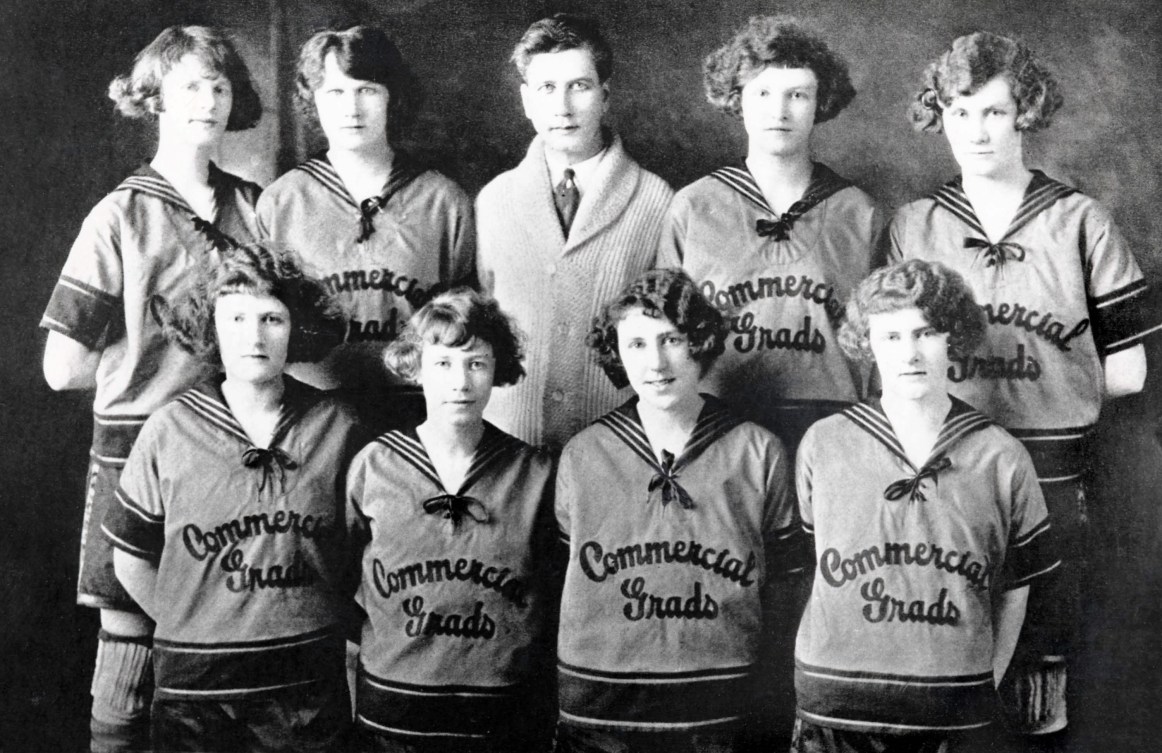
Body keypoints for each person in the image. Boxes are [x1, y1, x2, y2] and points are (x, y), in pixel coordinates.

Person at [887, 31, 1162, 739]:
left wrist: (1045, 382)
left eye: (994, 112)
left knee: (1040, 683)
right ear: (937, 117)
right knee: (942, 641)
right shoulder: (918, 223)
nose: (976, 131)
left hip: (1053, 469)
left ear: (1025, 114)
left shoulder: (1079, 219)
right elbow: (887, 362)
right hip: (946, 464)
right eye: (959, 113)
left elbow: (1130, 369)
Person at [39, 25, 263, 752]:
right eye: (191, 85)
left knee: (227, 638)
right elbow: (61, 365)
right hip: (138, 455)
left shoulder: (255, 207)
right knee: (130, 639)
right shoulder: (120, 215)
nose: (209, 100)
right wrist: (146, 364)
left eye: (221, 85)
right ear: (154, 99)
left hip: (232, 453)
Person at [103, 243, 365, 752]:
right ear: (210, 326)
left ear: (297, 329)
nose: (254, 335)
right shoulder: (169, 429)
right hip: (195, 696)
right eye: (237, 317)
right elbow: (130, 560)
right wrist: (196, 624)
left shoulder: (339, 425)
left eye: (273, 318)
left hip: (306, 686)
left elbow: (364, 554)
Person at [792, 259, 1061, 752]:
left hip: (953, 713)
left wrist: (982, 684)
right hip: (835, 707)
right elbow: (811, 563)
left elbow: (1017, 590)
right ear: (865, 343)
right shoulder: (823, 444)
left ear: (953, 338)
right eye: (891, 336)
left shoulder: (1000, 454)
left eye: (926, 332)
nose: (910, 353)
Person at [554, 269, 809, 752]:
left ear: (700, 341)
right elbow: (555, 582)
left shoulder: (758, 450)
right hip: (603, 708)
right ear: (616, 354)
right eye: (636, 344)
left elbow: (787, 587)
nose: (655, 362)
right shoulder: (584, 454)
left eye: (671, 339)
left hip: (724, 704)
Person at [659, 15, 882, 457]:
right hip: (718, 425)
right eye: (762, 93)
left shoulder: (857, 210)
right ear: (737, 99)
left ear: (820, 103)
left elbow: (881, 346)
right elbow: (665, 331)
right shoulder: (695, 205)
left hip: (833, 427)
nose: (779, 111)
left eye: (797, 95)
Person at [348, 289, 557, 752]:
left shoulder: (534, 472)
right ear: (415, 368)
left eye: (476, 364)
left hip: (502, 716)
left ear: (497, 371)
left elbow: (553, 595)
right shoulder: (375, 465)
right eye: (443, 364)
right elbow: (337, 579)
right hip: (394, 712)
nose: (460, 382)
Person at [258, 24, 475, 433]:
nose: (352, 109)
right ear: (312, 102)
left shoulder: (445, 202)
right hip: (310, 418)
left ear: (393, 98)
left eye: (368, 90)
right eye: (335, 93)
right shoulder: (280, 202)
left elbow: (467, 328)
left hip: (419, 415)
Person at [476, 12, 674, 448]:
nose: (562, 107)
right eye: (547, 89)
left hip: (618, 443)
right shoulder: (493, 200)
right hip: (507, 442)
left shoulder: (657, 200)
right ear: (527, 101)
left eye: (579, 87)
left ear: (605, 95)